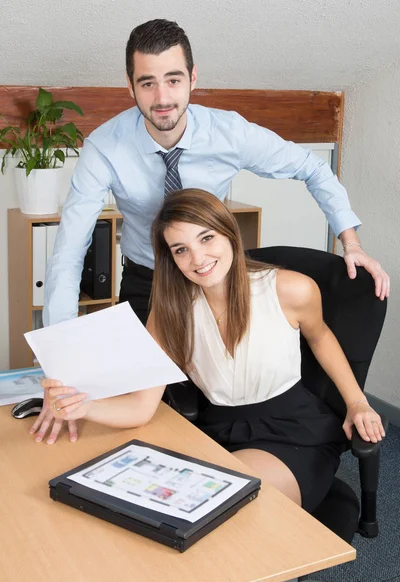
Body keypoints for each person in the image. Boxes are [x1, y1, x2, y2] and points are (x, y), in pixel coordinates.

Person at [36, 17, 389, 444]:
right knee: (135, 405)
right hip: (150, 281)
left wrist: (350, 241)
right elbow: (70, 250)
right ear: (129, 86)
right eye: (147, 83)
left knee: (218, 399)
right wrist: (60, 364)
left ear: (193, 78)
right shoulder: (104, 147)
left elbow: (311, 167)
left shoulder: (229, 131)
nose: (162, 97)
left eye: (173, 79)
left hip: (218, 279)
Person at [40, 189, 385, 512]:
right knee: (145, 502)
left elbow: (321, 338)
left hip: (292, 432)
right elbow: (141, 407)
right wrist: (81, 406)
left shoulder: (291, 289)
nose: (198, 258)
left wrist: (357, 403)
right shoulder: (170, 311)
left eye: (206, 238)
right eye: (181, 249)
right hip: (214, 430)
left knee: (217, 507)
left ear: (229, 234)